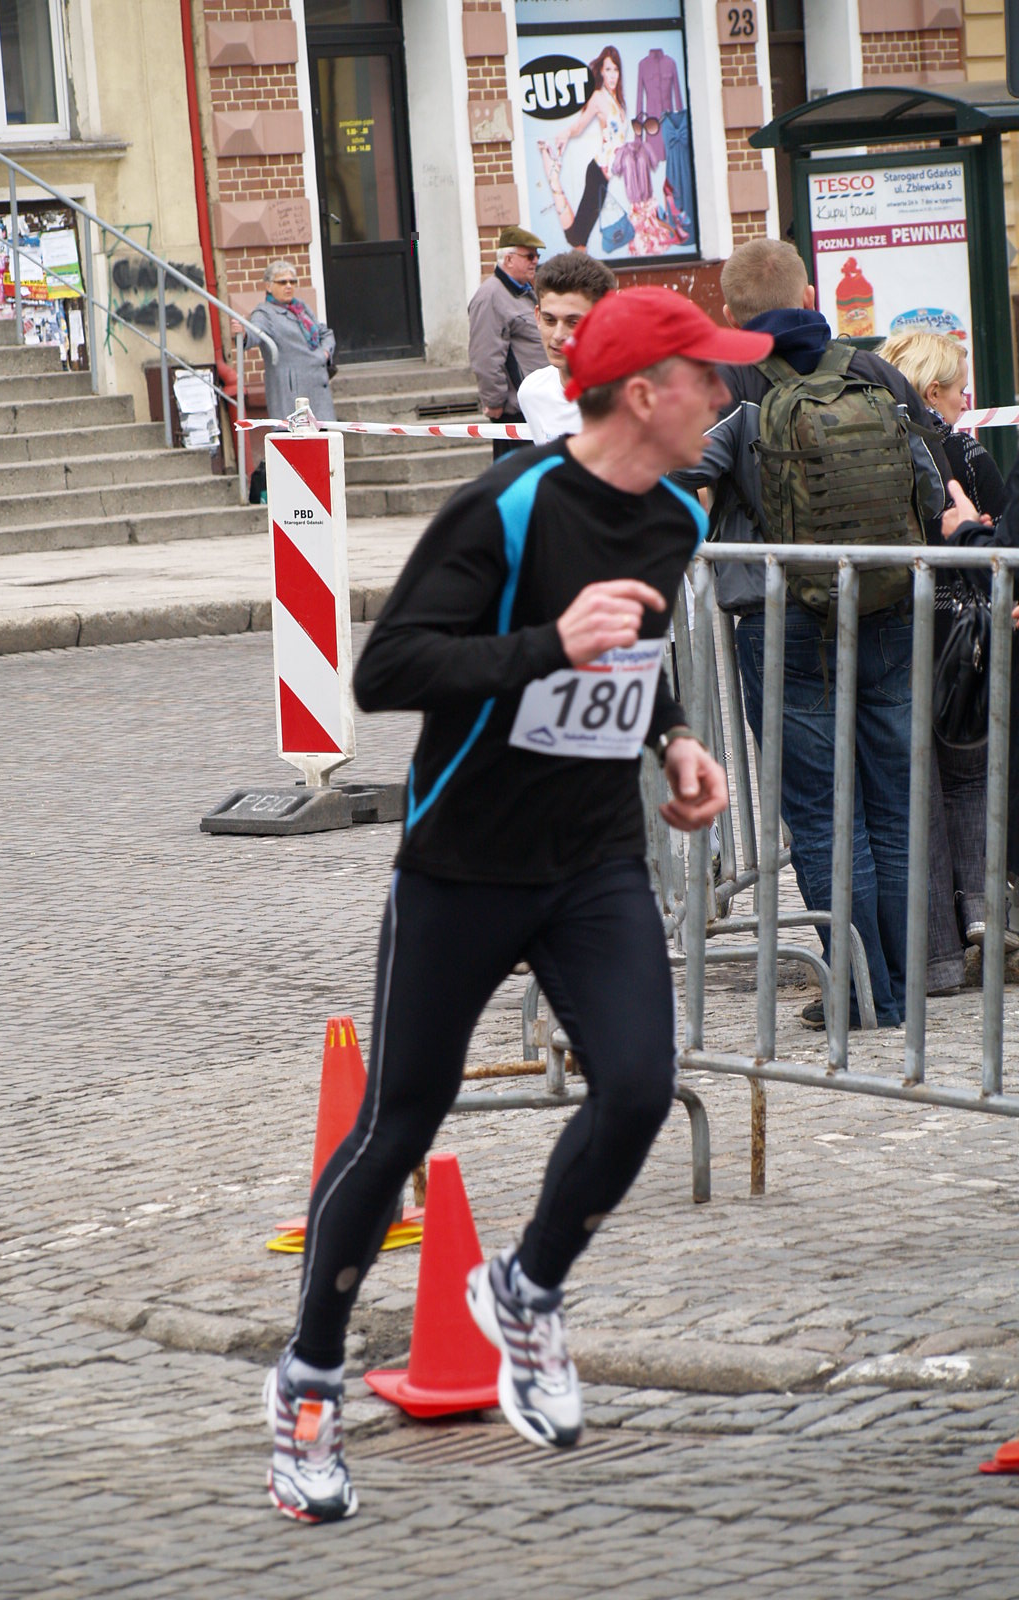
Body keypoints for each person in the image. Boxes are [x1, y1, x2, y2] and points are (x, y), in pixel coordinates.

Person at [264, 285, 771, 1525]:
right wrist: (548, 642)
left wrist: (675, 740)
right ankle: (310, 1383)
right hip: (463, 863)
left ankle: (526, 1291)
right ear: (643, 394)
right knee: (397, 1124)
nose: (724, 395)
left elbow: (631, 654)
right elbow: (388, 669)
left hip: (593, 859)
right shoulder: (508, 505)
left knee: (640, 1086)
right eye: (706, 376)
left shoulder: (680, 512)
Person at [676, 239, 946, 1030]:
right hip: (888, 607)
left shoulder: (725, 383)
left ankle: (862, 993)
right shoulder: (875, 372)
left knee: (826, 817)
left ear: (729, 313)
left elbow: (682, 492)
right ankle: (904, 986)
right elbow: (932, 489)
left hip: (781, 621)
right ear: (810, 295)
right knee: (895, 806)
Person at [878, 330, 1016, 982]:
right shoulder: (961, 449)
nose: (966, 398)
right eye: (959, 387)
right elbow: (1003, 525)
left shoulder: (877, 449)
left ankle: (935, 957)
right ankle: (987, 918)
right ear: (932, 389)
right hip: (967, 634)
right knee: (971, 776)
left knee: (917, 792)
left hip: (891, 628)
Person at [467, 226, 547, 460]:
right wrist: (495, 402)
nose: (535, 261)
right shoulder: (491, 296)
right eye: (529, 256)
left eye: (537, 256)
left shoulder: (523, 291)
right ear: (509, 259)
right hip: (516, 411)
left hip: (537, 405)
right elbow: (486, 356)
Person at [517, 252, 614, 444]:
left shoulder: (629, 396)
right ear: (537, 316)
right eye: (549, 320)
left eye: (573, 322)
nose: (558, 335)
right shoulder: (531, 392)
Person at [539, 46, 628, 252]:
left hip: (605, 177)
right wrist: (566, 133)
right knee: (578, 239)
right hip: (597, 173)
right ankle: (553, 178)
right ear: (601, 72)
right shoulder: (599, 97)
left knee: (580, 240)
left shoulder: (618, 102)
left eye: (615, 70)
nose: (612, 75)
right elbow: (579, 126)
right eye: (608, 70)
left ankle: (553, 176)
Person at [246, 261, 337, 424]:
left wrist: (324, 353)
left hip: (319, 390)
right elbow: (254, 332)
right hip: (294, 395)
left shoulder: (301, 308)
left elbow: (326, 333)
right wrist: (243, 334)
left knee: (324, 436)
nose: (288, 286)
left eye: (292, 282)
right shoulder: (265, 313)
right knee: (296, 437)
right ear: (268, 286)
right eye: (282, 282)